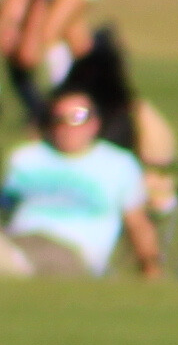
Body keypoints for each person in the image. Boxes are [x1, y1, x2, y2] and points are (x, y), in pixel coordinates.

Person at [2, 81, 157, 280]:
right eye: (59, 119)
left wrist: (151, 267)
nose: (68, 127)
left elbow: (137, 222)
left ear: (94, 123)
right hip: (20, 239)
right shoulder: (26, 158)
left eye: (78, 117)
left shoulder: (118, 164)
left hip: (72, 251)